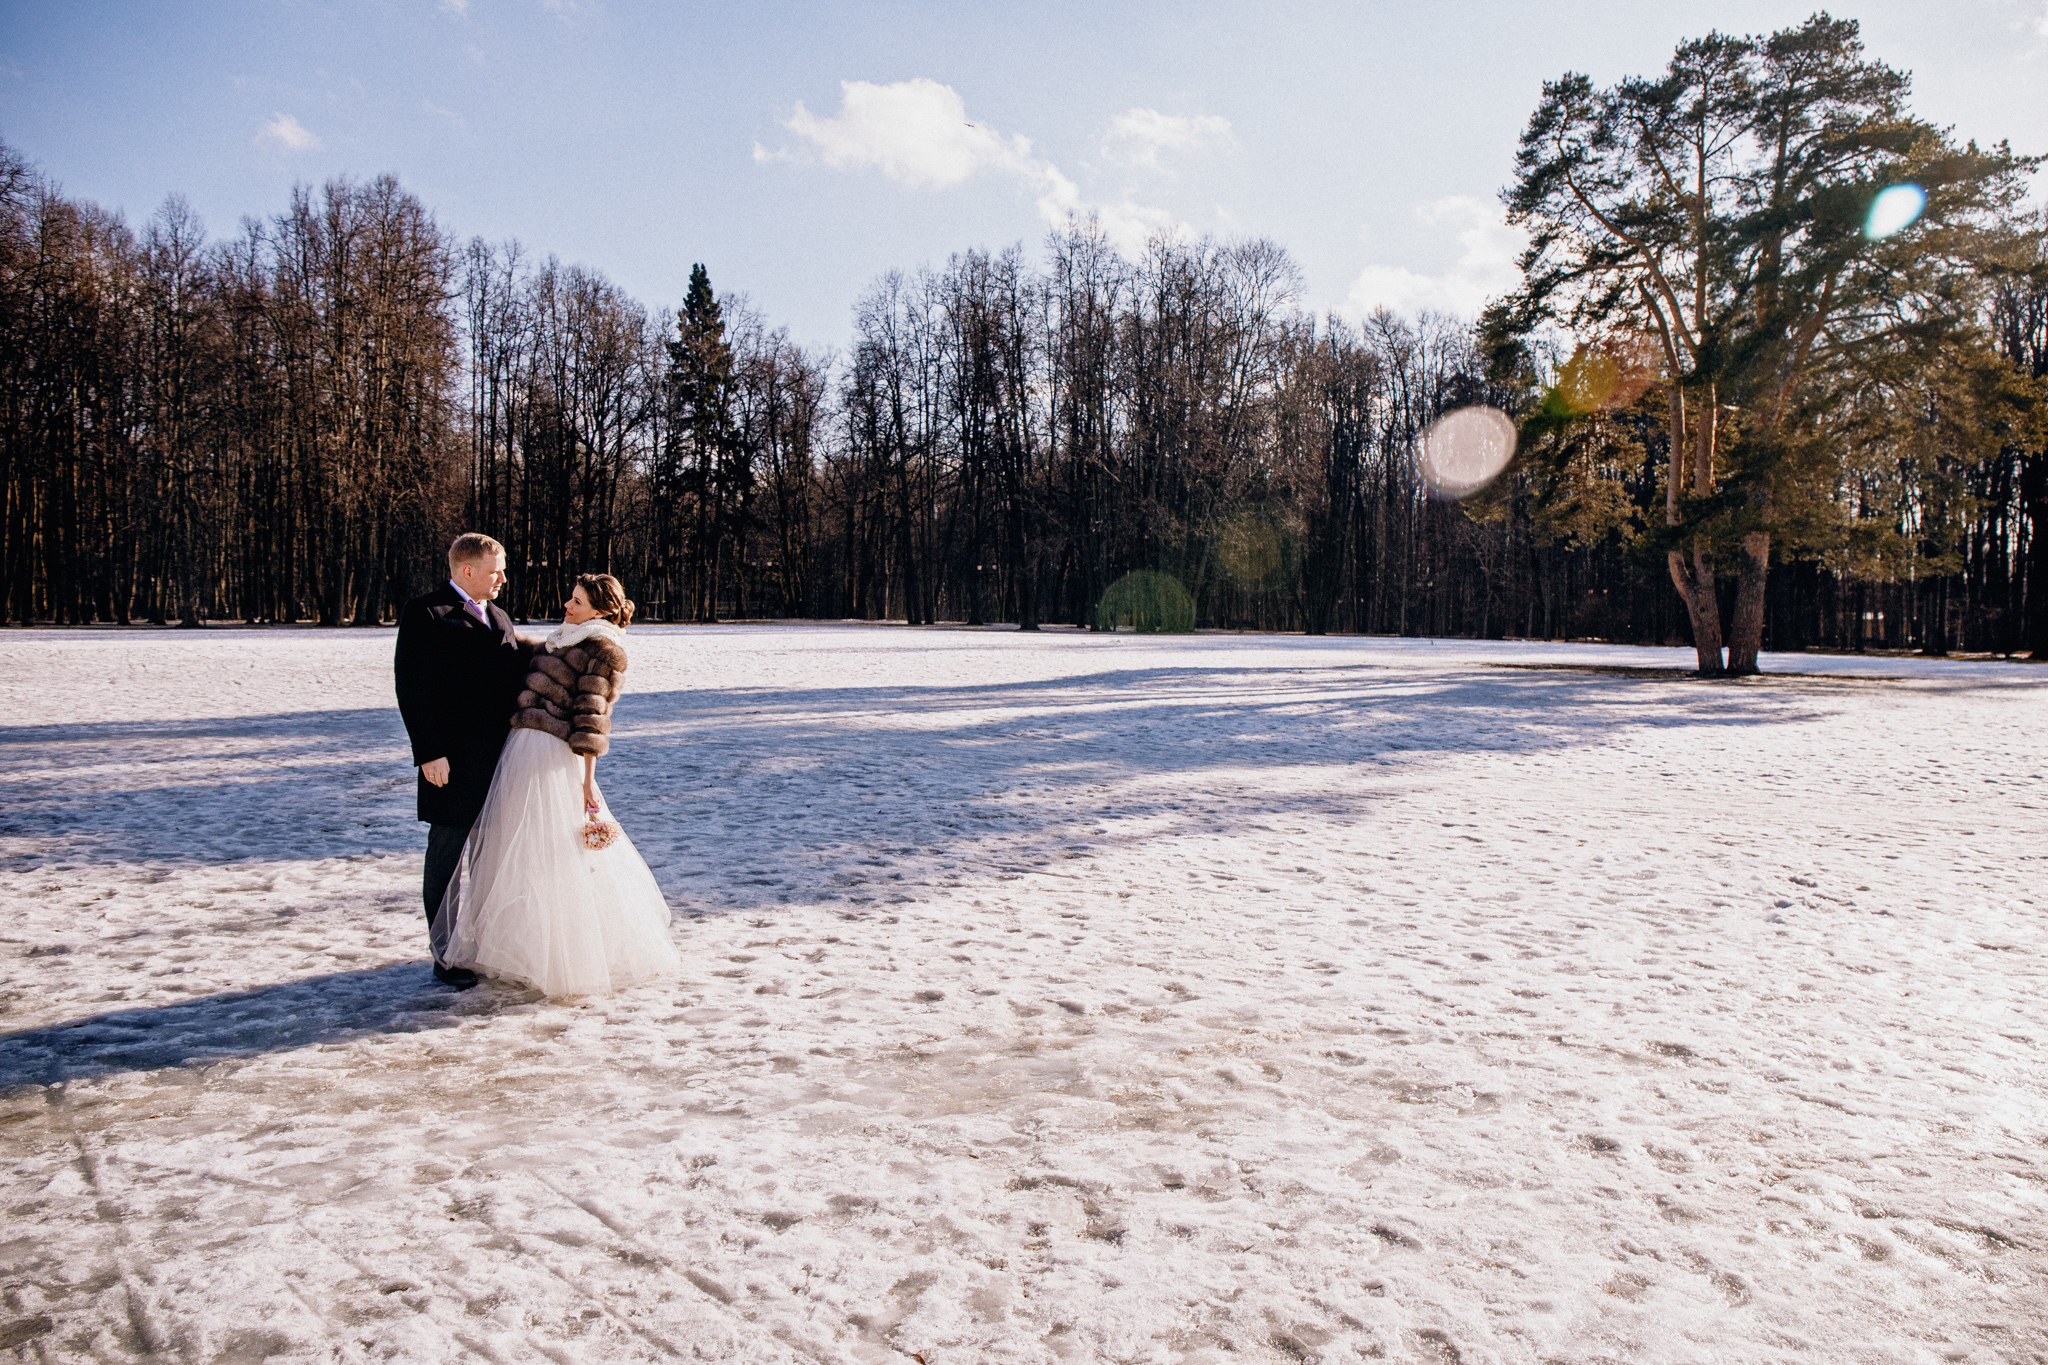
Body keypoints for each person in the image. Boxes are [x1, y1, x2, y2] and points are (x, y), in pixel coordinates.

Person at [437, 573, 682, 999]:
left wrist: (587, 781)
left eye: (579, 602)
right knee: (514, 851)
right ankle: (515, 948)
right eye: (571, 598)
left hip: (551, 755)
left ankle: (562, 953)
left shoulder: (602, 649)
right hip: (521, 750)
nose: (568, 606)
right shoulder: (563, 639)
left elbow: (592, 718)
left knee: (553, 852)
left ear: (602, 611)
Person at [393, 533, 535, 989]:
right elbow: (412, 689)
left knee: (491, 857)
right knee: (448, 859)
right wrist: (428, 753)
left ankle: (485, 944)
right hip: (449, 762)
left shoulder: (499, 616)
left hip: (502, 761)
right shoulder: (426, 613)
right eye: (496, 571)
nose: (503, 579)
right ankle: (447, 954)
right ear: (466, 571)